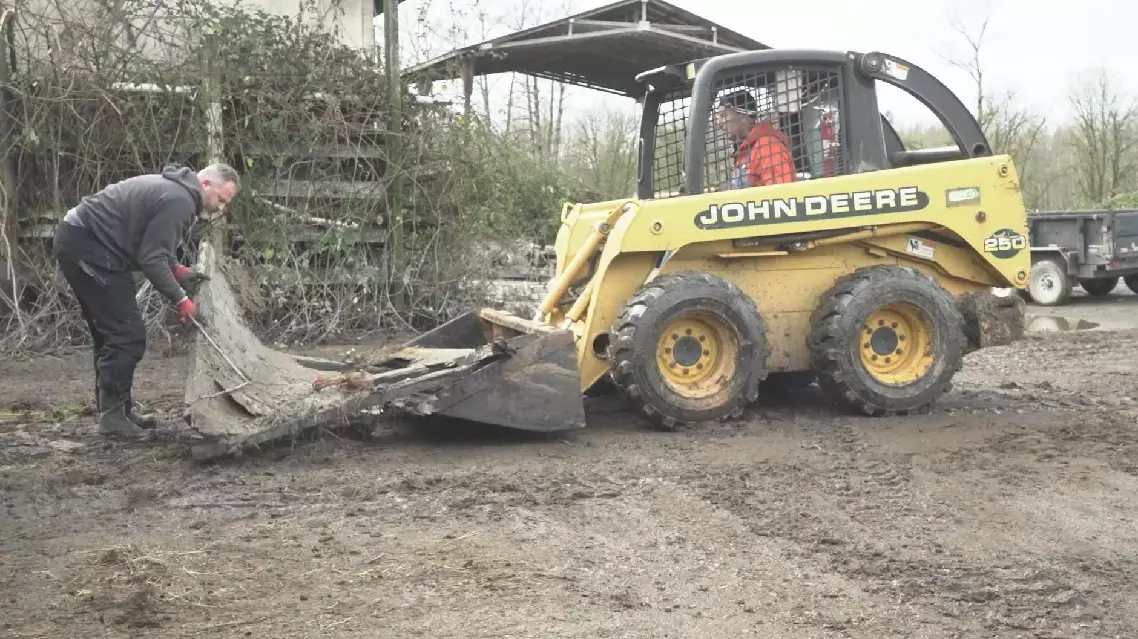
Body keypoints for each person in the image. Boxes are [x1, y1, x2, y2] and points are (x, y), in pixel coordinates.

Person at [52, 163, 241, 438]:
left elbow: (153, 243)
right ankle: (113, 419)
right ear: (206, 185)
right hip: (88, 247)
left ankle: (118, 412)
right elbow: (151, 259)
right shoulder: (179, 200)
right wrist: (181, 300)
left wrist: (177, 270)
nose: (221, 209)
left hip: (85, 241)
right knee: (126, 335)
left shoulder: (176, 191)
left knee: (113, 334)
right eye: (221, 200)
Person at [715, 88, 798, 190]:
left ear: (744, 116)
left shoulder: (767, 147)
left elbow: (781, 193)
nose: (719, 123)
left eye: (723, 115)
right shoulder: (745, 151)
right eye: (718, 118)